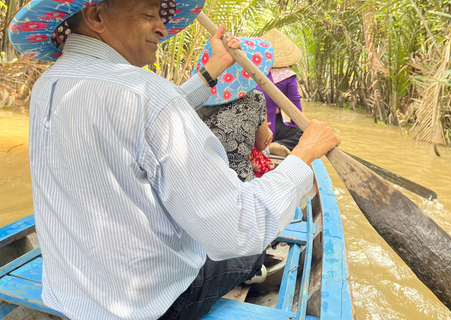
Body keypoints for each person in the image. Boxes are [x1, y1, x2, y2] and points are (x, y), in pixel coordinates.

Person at [9, 1, 341, 319]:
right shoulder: (148, 95)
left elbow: (151, 113)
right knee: (252, 244)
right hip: (152, 308)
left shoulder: (49, 83)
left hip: (71, 297)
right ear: (97, 17)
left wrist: (214, 68)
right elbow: (240, 228)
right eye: (149, 14)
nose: (162, 28)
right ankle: (255, 270)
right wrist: (303, 156)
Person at [193, 37, 274, 182]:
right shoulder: (255, 98)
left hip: (200, 179)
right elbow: (261, 144)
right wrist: (267, 133)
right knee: (265, 149)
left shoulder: (195, 95)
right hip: (239, 182)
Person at [256, 28, 305, 157]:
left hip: (246, 124)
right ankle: (274, 145)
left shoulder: (250, 71)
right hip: (267, 129)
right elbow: (296, 112)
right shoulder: (288, 76)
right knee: (305, 131)